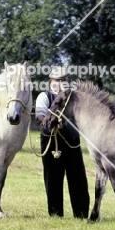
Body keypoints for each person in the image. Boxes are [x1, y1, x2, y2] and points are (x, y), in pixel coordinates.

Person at [35, 66, 90, 218]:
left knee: (78, 178)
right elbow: (39, 116)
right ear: (50, 80)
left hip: (72, 142)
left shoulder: (75, 98)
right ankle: (55, 214)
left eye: (63, 80)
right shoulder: (44, 96)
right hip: (51, 142)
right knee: (53, 180)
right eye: (56, 80)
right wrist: (51, 122)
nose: (59, 83)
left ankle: (81, 214)